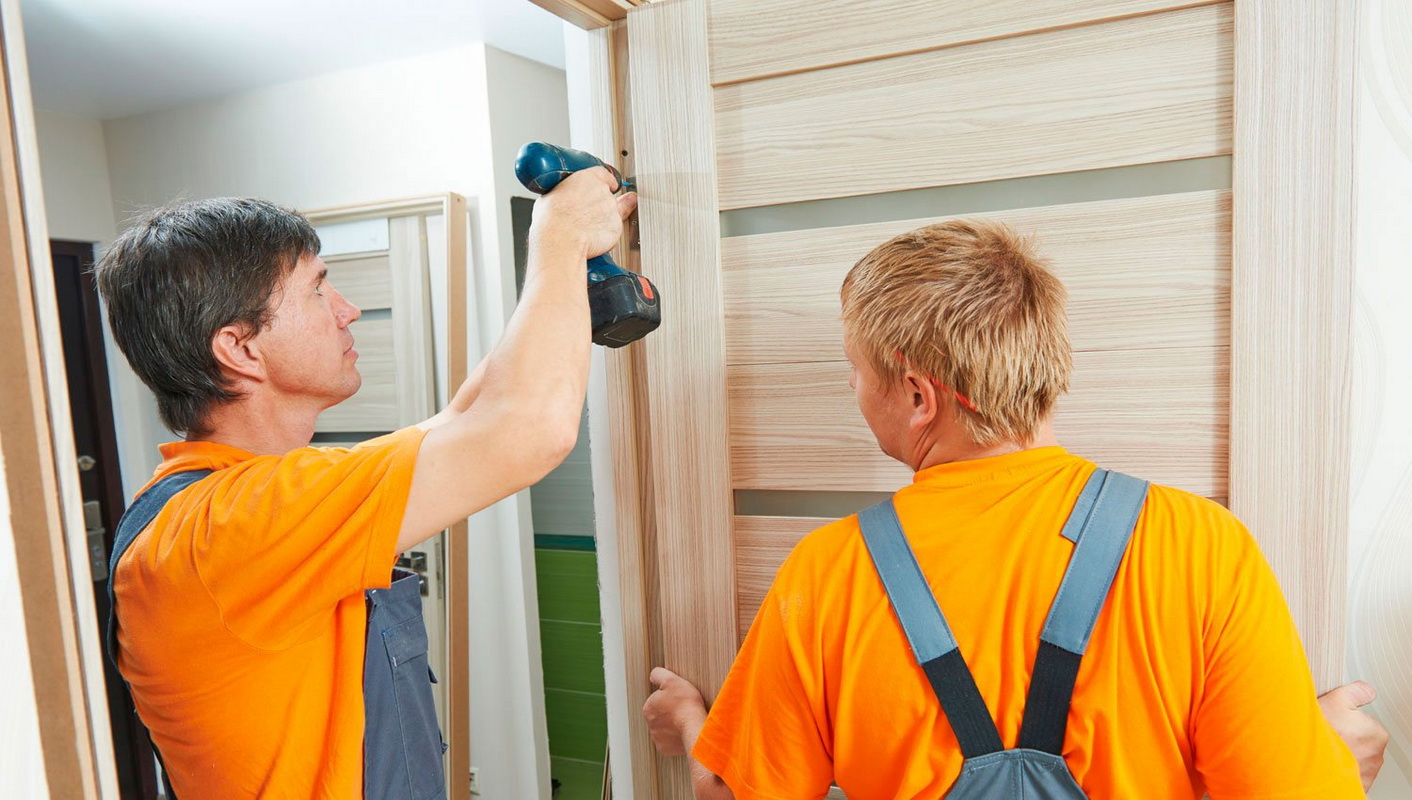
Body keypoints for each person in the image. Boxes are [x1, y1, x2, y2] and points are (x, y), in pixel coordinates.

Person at [642, 220, 1387, 799]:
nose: (852, 390)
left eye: (854, 370)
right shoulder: (1200, 547)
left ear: (918, 396)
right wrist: (1326, 751)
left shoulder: (828, 574)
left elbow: (733, 791)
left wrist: (690, 725)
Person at [95, 172, 633, 799]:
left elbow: (461, 421)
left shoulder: (220, 499)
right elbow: (527, 431)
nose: (346, 309)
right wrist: (558, 236)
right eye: (317, 290)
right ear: (239, 349)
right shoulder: (236, 523)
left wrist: (563, 293)